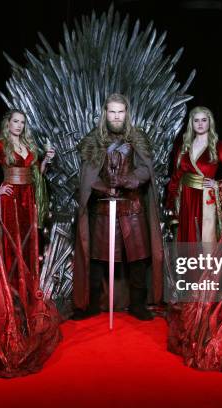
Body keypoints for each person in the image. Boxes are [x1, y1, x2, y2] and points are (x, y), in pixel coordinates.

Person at [73, 93, 163, 321]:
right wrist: (102, 186)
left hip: (132, 206)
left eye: (120, 112)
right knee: (97, 257)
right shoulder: (94, 140)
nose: (116, 116)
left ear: (126, 113)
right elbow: (87, 177)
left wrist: (128, 179)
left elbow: (145, 170)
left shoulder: (137, 138)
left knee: (138, 257)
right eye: (112, 112)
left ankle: (138, 305)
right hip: (103, 207)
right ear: (105, 113)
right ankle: (92, 304)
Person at [0, 109, 54, 304]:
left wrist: (45, 160)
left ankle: (26, 290)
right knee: (11, 243)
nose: (19, 125)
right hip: (10, 199)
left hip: (28, 199)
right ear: (8, 123)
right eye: (15, 121)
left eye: (22, 122)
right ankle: (12, 293)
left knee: (28, 243)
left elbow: (37, 173)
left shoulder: (28, 145)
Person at [166, 106, 222, 243]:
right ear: (192, 123)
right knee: (186, 237)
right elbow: (176, 176)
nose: (200, 124)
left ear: (209, 122)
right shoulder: (184, 146)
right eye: (196, 120)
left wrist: (218, 184)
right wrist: (171, 202)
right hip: (186, 197)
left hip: (206, 196)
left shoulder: (219, 146)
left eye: (203, 120)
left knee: (205, 237)